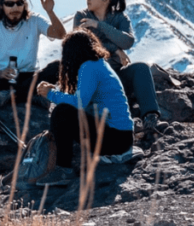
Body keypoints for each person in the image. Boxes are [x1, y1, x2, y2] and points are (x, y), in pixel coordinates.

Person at [33, 29, 135, 186]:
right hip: (123, 138)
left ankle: (63, 170)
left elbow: (79, 103)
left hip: (116, 140)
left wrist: (51, 94)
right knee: (66, 110)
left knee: (62, 112)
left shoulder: (89, 67)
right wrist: (55, 91)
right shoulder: (99, 64)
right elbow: (81, 97)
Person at [73, 0, 162, 138]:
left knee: (141, 68)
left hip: (116, 77)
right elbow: (82, 47)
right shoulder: (81, 16)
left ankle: (150, 119)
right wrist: (114, 50)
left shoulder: (120, 18)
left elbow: (127, 41)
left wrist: (98, 25)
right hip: (91, 79)